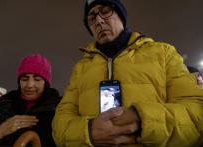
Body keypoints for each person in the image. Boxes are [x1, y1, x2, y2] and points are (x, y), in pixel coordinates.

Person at [52, 0, 203, 146]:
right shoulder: (80, 68)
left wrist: (143, 119)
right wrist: (88, 132)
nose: (98, 21)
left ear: (121, 16)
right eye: (92, 17)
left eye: (105, 11)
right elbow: (60, 125)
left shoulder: (163, 54)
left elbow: (196, 114)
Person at [0, 54, 61, 146]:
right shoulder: (2, 103)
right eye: (24, 79)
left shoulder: (61, 107)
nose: (29, 85)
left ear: (46, 83)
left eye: (37, 79)